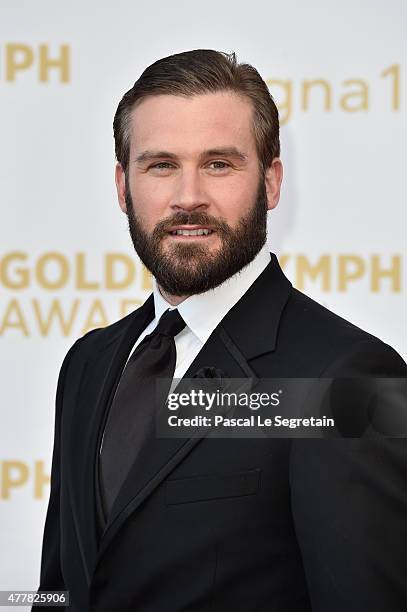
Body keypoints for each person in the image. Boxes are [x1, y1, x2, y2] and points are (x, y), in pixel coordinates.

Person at [35, 49, 407, 611]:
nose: (188, 197)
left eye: (219, 164)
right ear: (122, 185)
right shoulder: (88, 362)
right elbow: (60, 590)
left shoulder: (346, 377)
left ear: (272, 182)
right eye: (160, 165)